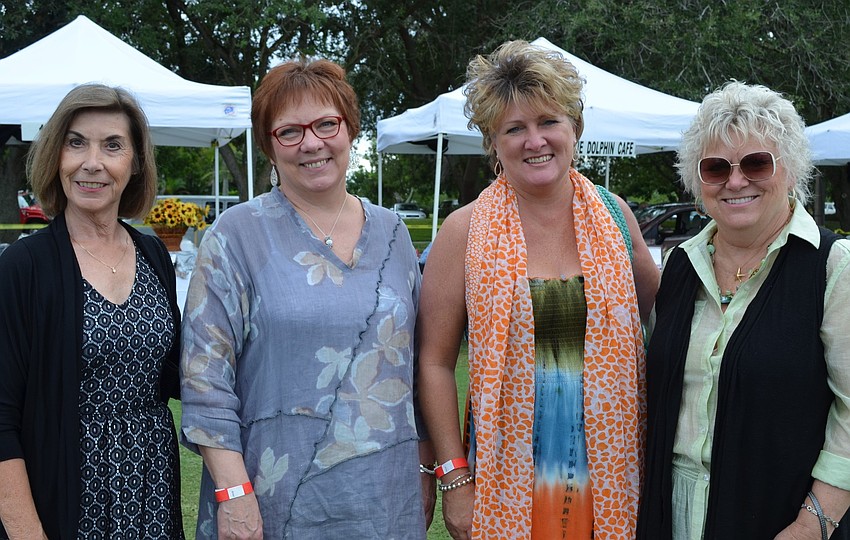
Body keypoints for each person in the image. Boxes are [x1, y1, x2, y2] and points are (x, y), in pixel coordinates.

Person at [179, 59, 431, 539]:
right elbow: (204, 383)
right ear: (269, 147)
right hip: (270, 501)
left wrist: (424, 471)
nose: (312, 143)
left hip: (384, 502)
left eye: (326, 124)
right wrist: (233, 494)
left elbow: (416, 369)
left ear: (350, 129)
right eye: (289, 132)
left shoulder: (395, 234)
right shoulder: (235, 236)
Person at [418, 40, 659, 539]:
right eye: (514, 129)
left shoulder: (616, 217)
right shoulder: (462, 231)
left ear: (574, 126)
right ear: (493, 141)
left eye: (548, 121)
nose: (535, 141)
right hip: (506, 482)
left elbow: (669, 326)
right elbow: (436, 363)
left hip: (614, 477)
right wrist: (455, 479)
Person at [637, 81, 850, 539]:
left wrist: (814, 523)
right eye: (716, 168)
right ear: (699, 182)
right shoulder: (680, 267)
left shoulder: (833, 267)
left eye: (757, 163)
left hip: (782, 518)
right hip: (669, 513)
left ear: (790, 170)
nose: (736, 181)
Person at [0, 83, 183, 538]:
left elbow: (176, 374)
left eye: (113, 145)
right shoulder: (25, 266)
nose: (92, 162)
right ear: (55, 155)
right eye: (75, 142)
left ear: (136, 161)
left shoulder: (154, 254)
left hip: (150, 489)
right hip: (65, 495)